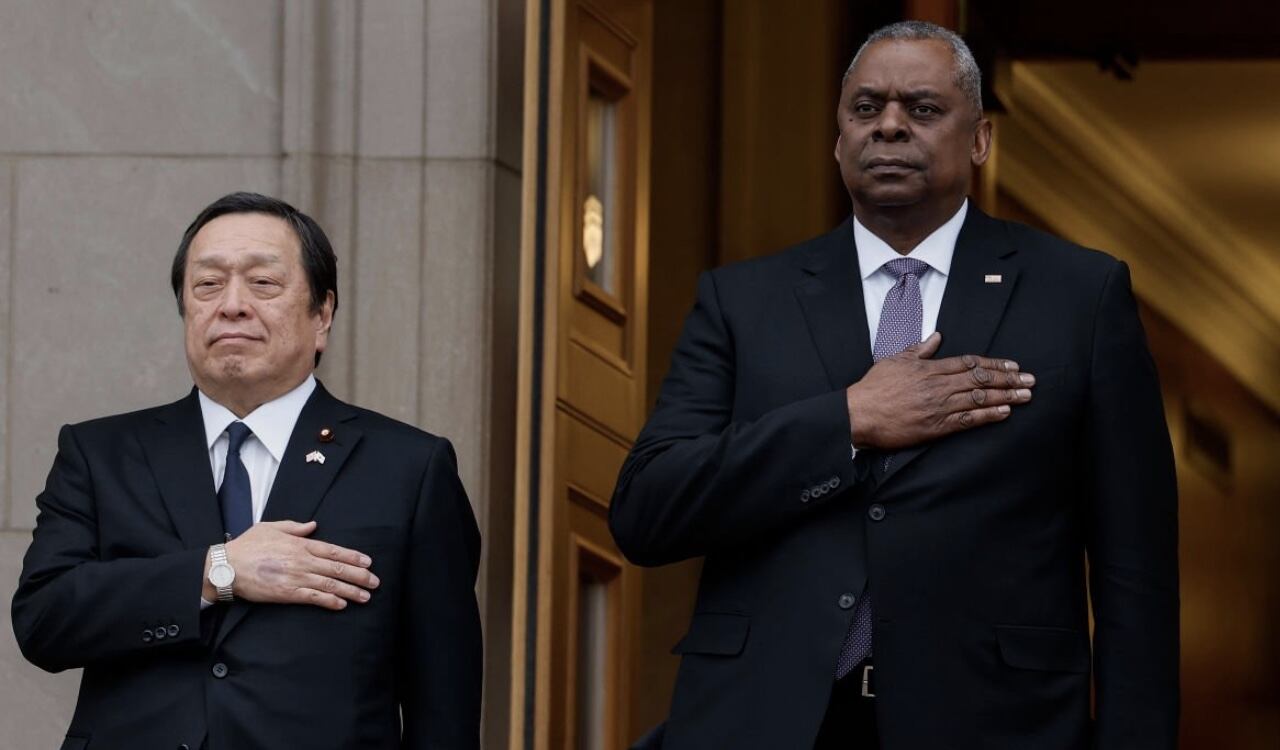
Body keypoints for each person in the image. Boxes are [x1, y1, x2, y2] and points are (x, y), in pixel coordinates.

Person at [611, 21, 1178, 750]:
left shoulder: (1081, 296)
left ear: (980, 138)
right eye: (866, 108)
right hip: (767, 720)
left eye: (922, 108)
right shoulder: (744, 301)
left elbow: (1136, 571)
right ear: (837, 137)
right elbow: (646, 509)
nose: (889, 126)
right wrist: (846, 420)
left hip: (995, 723)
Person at [11, 192, 482, 750]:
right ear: (185, 309)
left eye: (263, 283)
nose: (232, 305)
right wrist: (217, 571)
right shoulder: (101, 453)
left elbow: (443, 709)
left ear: (322, 315)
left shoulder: (408, 468)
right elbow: (43, 620)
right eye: (208, 285)